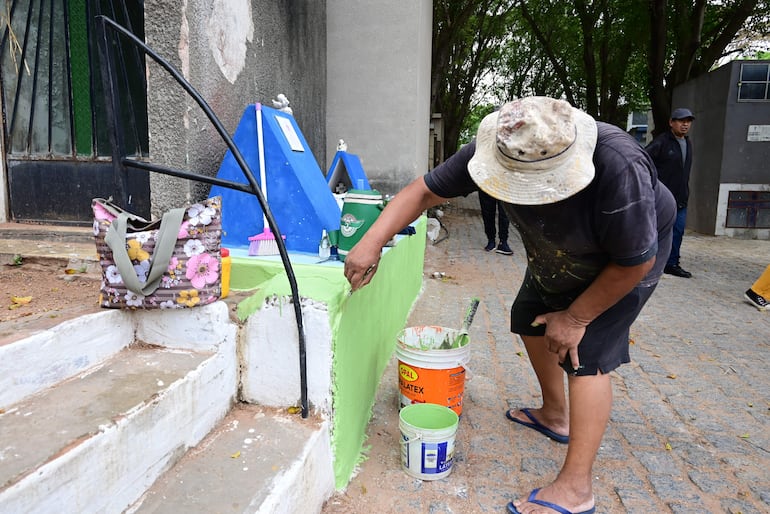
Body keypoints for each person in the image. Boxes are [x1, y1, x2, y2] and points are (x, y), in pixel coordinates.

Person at [344, 96, 675, 514]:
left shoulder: (618, 165)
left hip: (624, 257)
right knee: (529, 317)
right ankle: (556, 416)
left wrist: (575, 317)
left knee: (585, 352)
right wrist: (371, 242)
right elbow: (423, 192)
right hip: (557, 248)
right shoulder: (501, 143)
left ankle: (576, 489)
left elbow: (634, 261)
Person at [645, 107, 695, 278]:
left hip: (681, 197)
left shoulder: (687, 143)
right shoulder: (661, 142)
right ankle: (650, 263)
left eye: (688, 121)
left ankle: (671, 263)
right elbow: (644, 160)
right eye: (681, 121)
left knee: (678, 231)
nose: (685, 124)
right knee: (657, 230)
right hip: (662, 198)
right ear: (671, 122)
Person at [479, 189, 513, 254]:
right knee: (487, 212)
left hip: (505, 185)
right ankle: (491, 240)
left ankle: (503, 242)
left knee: (505, 213)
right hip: (486, 183)